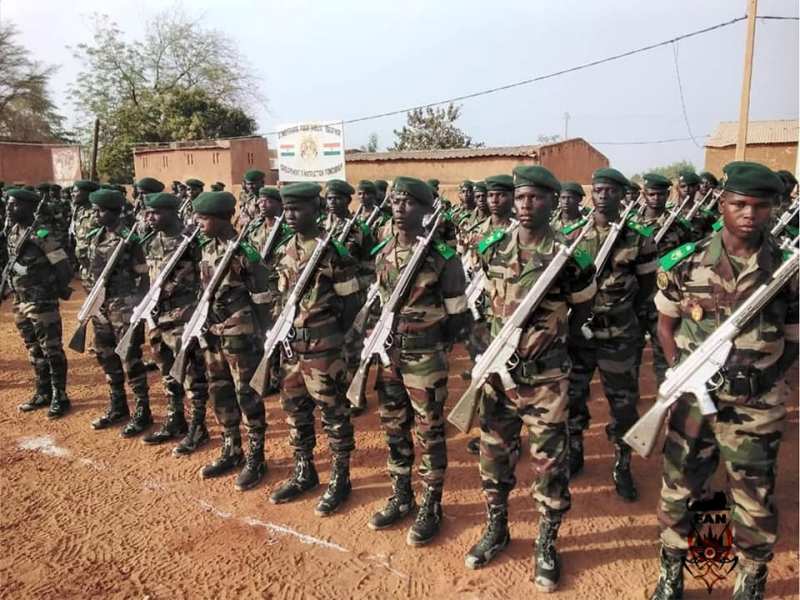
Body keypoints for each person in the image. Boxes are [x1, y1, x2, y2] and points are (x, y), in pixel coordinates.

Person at [649, 161, 798, 600]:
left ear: (774, 209)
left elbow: (793, 341)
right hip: (694, 403)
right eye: (739, 204)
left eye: (760, 206)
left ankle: (750, 576)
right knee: (679, 487)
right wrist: (683, 374)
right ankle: (672, 570)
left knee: (753, 495)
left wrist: (763, 379)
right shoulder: (685, 261)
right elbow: (664, 327)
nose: (749, 213)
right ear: (722, 204)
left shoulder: (787, 269)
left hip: (755, 406)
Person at [464, 166, 595, 591]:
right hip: (499, 376)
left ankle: (546, 542)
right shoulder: (492, 247)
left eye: (535, 198)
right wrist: (486, 345)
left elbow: (583, 310)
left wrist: (554, 333)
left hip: (545, 378)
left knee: (549, 463)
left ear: (552, 201)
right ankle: (497, 528)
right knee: (494, 454)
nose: (524, 205)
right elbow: (487, 305)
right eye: (520, 197)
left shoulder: (570, 256)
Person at [368, 176, 470, 546]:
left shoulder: (444, 258)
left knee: (429, 431)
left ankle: (431, 503)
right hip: (388, 356)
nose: (399, 208)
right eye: (395, 201)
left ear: (427, 210)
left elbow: (458, 317)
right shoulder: (382, 250)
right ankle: (401, 494)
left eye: (409, 203)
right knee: (394, 427)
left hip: (425, 357)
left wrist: (430, 343)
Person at [269, 182, 362, 516]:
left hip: (324, 350)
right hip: (291, 348)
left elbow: (352, 306)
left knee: (334, 415)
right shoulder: (285, 249)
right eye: (287, 209)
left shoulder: (334, 252)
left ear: (316, 209)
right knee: (296, 411)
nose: (291, 215)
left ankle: (341, 477)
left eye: (298, 209)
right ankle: (304, 470)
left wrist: (334, 345)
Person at [566, 167, 657, 501]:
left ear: (622, 195)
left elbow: (646, 289)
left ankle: (622, 462)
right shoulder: (573, 234)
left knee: (623, 404)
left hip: (620, 335)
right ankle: (575, 449)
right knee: (573, 396)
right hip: (580, 336)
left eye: (610, 191)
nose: (603, 196)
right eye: (599, 190)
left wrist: (634, 325)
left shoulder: (639, 237)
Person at [192, 190, 272, 490]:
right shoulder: (206, 248)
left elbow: (262, 299)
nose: (199, 223)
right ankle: (231, 448)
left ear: (220, 219)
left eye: (203, 219)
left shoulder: (245, 253)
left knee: (246, 395)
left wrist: (264, 338)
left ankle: (256, 457)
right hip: (213, 333)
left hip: (241, 335)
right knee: (219, 391)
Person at [138, 192, 211, 454]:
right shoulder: (151, 240)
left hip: (183, 316)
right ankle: (175, 418)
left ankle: (199, 426)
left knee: (192, 373)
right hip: (157, 317)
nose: (150, 217)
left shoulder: (192, 241)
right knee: (167, 371)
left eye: (155, 212)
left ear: (172, 212)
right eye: (148, 212)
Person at [84, 188, 152, 435]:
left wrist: (137, 306)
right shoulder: (97, 235)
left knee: (130, 358)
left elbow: (144, 276)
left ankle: (142, 411)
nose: (95, 214)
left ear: (112, 211)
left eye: (99, 210)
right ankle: (118, 406)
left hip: (123, 305)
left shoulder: (130, 238)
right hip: (101, 304)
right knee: (105, 355)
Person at [4, 187, 73, 418]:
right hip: (21, 301)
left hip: (41, 302)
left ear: (29, 207)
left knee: (51, 349)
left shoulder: (41, 234)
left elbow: (63, 266)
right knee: (33, 348)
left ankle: (59, 396)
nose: (9, 208)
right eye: (8, 204)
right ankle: (42, 391)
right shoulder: (13, 232)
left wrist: (51, 291)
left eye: (15, 204)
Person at [633, 173, 686, 386]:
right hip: (635, 298)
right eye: (651, 194)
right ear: (644, 194)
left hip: (664, 299)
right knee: (631, 354)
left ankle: (665, 393)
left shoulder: (679, 227)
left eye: (661, 194)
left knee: (663, 351)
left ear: (668, 195)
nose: (656, 198)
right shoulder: (630, 225)